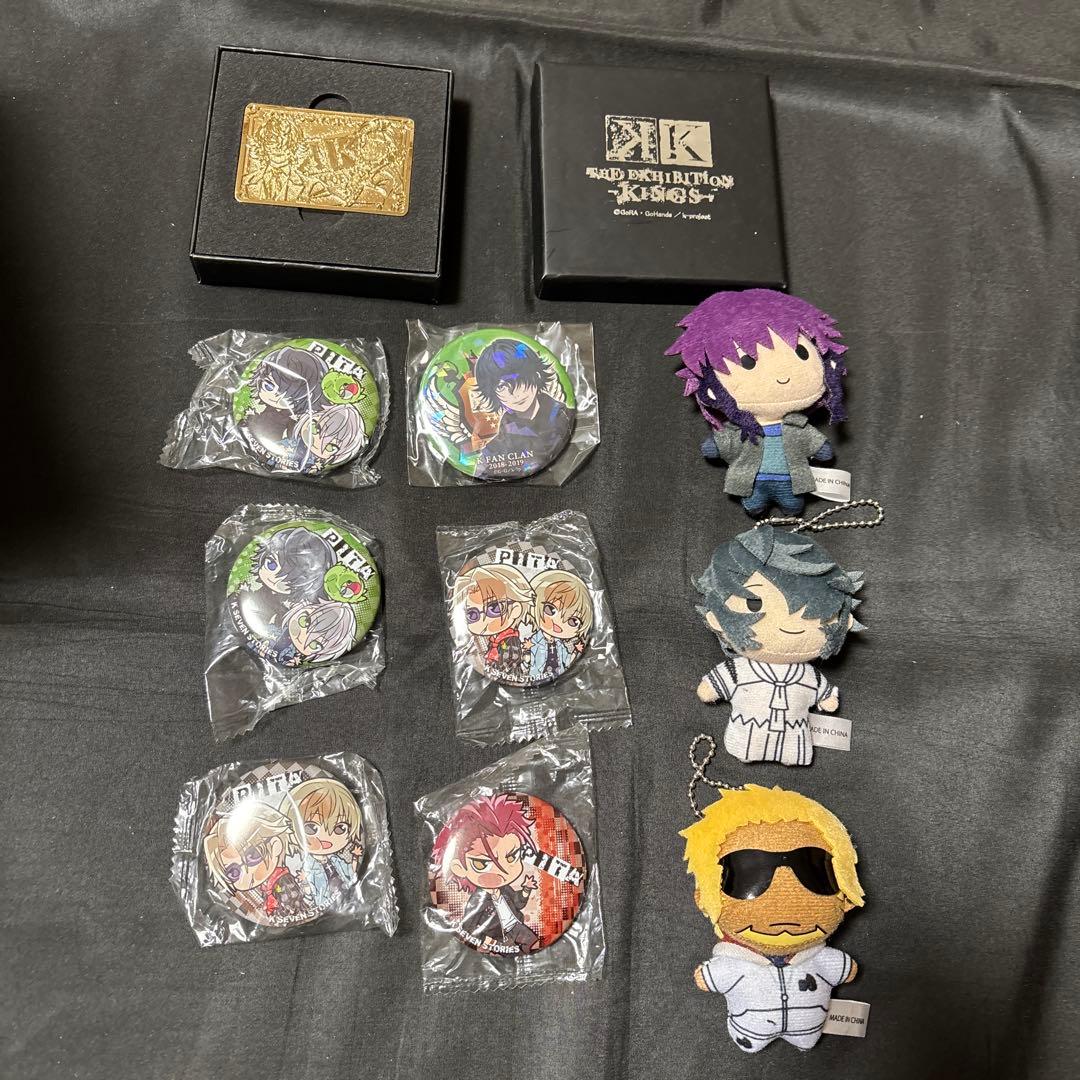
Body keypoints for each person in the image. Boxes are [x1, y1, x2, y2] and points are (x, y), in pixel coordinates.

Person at [681, 784, 864, 1053]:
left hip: (810, 1032)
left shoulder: (821, 959)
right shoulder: (735, 965)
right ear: (705, 898)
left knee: (807, 1039)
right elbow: (711, 977)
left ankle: (804, 1038)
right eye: (748, 878)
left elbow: (843, 969)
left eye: (813, 875)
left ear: (846, 894)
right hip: (750, 1033)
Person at [666, 290, 848, 516]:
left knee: (792, 504)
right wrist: (717, 445)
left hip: (792, 482)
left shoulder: (798, 427)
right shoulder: (740, 431)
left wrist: (820, 449)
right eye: (748, 362)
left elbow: (820, 449)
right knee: (754, 503)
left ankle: (787, 506)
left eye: (801, 351)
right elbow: (719, 446)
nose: (783, 377)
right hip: (751, 481)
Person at [694, 526, 863, 766]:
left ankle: (793, 755)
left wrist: (827, 698)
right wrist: (710, 688)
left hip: (794, 736)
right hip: (748, 734)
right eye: (754, 603)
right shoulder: (740, 670)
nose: (790, 625)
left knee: (794, 748)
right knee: (748, 744)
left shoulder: (807, 675)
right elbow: (714, 685)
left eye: (817, 611)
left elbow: (822, 692)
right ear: (716, 616)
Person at [431, 794, 540, 954]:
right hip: (499, 937)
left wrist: (526, 889)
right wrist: (481, 942)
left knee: (534, 942)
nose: (501, 870)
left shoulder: (505, 889)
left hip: (517, 926)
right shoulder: (477, 900)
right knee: (514, 952)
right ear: (459, 867)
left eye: (511, 857)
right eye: (482, 863)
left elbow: (518, 903)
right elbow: (468, 924)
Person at [471, 339, 574, 479]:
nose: (515, 394)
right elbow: (480, 474)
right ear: (493, 393)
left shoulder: (564, 417)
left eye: (519, 380)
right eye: (502, 386)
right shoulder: (496, 446)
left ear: (536, 376)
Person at [203, 802, 309, 921]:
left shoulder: (282, 881)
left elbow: (295, 907)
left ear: (275, 845)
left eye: (253, 855)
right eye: (233, 872)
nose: (247, 873)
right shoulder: (265, 887)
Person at [287, 778, 363, 909]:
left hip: (346, 895)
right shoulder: (308, 867)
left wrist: (355, 856)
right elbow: (310, 891)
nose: (326, 837)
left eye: (340, 828)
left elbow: (350, 872)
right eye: (311, 828)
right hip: (325, 904)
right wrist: (305, 884)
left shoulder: (335, 859)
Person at [452, 563, 534, 681]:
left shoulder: (510, 640)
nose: (483, 620)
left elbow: (511, 663)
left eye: (494, 608)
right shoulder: (494, 639)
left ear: (515, 610)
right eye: (472, 615)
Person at [524, 568, 592, 682]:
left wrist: (574, 655)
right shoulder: (535, 640)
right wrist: (526, 658)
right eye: (550, 610)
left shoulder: (560, 644)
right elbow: (529, 656)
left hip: (556, 675)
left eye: (573, 621)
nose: (559, 623)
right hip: (536, 675)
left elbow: (565, 658)